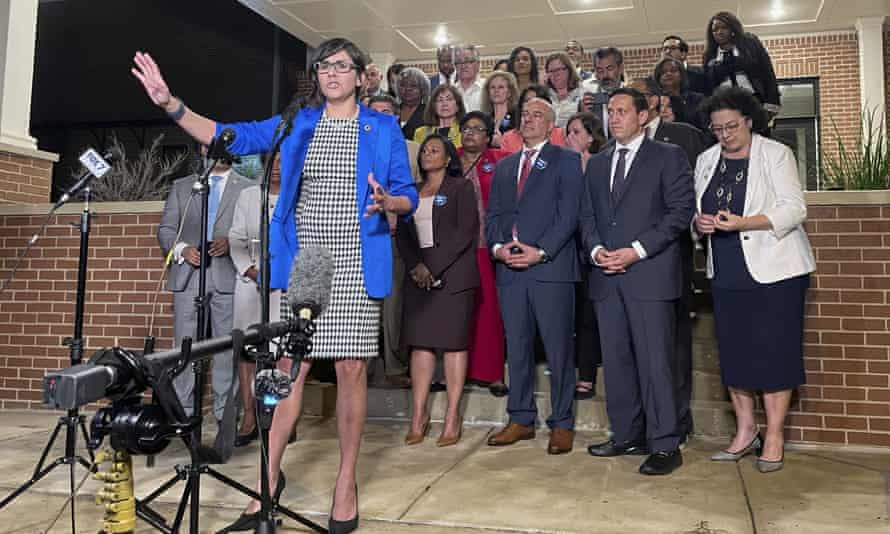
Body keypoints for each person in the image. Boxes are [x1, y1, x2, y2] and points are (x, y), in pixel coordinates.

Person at [132, 37, 418, 534]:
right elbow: (229, 136)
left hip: (357, 257)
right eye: (324, 66)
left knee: (351, 369)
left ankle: (345, 483)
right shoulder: (296, 124)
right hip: (309, 260)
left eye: (341, 66)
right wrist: (169, 103)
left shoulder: (384, 126)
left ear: (359, 75)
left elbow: (408, 195)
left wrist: (390, 204)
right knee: (290, 368)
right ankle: (266, 482)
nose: (331, 73)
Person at [694, 87, 815, 473]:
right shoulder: (705, 159)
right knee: (735, 354)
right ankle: (746, 431)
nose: (725, 134)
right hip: (727, 268)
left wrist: (746, 222)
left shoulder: (775, 154)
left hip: (776, 269)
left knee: (774, 354)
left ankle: (775, 435)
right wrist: (699, 224)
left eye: (731, 126)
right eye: (717, 129)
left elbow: (795, 209)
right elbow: (699, 211)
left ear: (748, 121)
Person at [581, 88, 694, 476]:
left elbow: (680, 213)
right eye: (610, 111)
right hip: (606, 277)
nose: (614, 118)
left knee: (655, 363)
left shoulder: (668, 156)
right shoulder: (597, 163)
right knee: (616, 363)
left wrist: (636, 250)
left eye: (623, 111)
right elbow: (588, 217)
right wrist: (597, 252)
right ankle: (627, 434)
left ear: (643, 116)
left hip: (650, 274)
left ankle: (665, 443)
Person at [485, 98, 583, 456]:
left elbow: (569, 214)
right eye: (524, 115)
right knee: (518, 347)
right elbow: (494, 215)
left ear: (551, 124)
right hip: (510, 272)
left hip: (550, 269)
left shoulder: (566, 160)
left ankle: (562, 423)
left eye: (536, 115)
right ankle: (521, 418)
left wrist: (540, 251)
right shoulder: (506, 165)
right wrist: (498, 249)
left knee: (558, 350)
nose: (528, 120)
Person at [628, 76, 705, 442]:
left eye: (640, 97)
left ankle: (677, 418)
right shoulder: (618, 145)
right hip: (627, 262)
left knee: (673, 345)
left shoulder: (684, 136)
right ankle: (643, 419)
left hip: (670, 256)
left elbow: (690, 197)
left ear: (656, 102)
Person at [156, 151, 252, 427]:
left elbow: (257, 231)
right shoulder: (183, 186)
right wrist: (183, 250)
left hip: (229, 277)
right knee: (185, 347)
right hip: (188, 277)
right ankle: (182, 414)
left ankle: (225, 414)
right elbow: (166, 230)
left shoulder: (247, 188)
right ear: (201, 151)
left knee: (227, 347)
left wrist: (232, 242)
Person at [398, 134, 480, 447]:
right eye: (425, 150)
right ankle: (418, 416)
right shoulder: (412, 192)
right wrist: (417, 265)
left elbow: (465, 232)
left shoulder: (461, 188)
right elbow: (404, 237)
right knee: (420, 345)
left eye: (436, 150)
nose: (428, 154)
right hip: (418, 277)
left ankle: (451, 416)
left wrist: (434, 266)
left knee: (454, 345)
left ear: (448, 158)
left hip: (454, 277)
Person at [228, 156, 282, 447]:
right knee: (247, 352)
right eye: (272, 161)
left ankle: (275, 415)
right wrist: (251, 270)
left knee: (276, 354)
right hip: (250, 282)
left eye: (284, 162)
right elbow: (236, 237)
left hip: (284, 286)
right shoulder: (249, 196)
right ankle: (249, 415)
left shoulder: (298, 196)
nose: (277, 167)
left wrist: (280, 274)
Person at [368, 94, 421, 388]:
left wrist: (395, 211)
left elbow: (418, 193)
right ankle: (358, 366)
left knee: (394, 303)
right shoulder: (354, 145)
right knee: (360, 304)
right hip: (359, 235)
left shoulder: (411, 149)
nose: (379, 116)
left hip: (397, 234)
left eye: (386, 112)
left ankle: (395, 367)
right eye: (374, 111)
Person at [457, 111, 511, 397]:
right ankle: (458, 372)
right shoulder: (449, 158)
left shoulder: (500, 160)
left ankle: (492, 373)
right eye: (466, 128)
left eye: (477, 129)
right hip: (453, 248)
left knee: (489, 309)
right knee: (456, 313)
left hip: (487, 246)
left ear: (488, 136)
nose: (470, 133)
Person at [564, 111, 606, 400]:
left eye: (576, 131)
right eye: (568, 132)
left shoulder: (601, 166)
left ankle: (587, 375)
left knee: (590, 315)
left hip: (595, 248)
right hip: (566, 248)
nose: (570, 137)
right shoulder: (561, 166)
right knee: (570, 314)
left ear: (591, 136)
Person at [703, 12, 781, 131]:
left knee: (757, 137)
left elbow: (767, 73)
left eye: (724, 27)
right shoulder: (710, 55)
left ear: (732, 28)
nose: (719, 32)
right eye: (715, 30)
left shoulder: (750, 44)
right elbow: (709, 87)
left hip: (753, 100)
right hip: (725, 104)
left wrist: (771, 105)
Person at [501, 85, 566, 153]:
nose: (532, 104)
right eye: (527, 100)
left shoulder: (560, 134)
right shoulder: (508, 138)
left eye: (536, 100)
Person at [654, 57, 706, 130]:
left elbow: (705, 128)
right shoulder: (655, 102)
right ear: (658, 78)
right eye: (663, 72)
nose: (668, 73)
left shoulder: (697, 99)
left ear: (681, 75)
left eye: (673, 70)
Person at [480, 71, 519, 149]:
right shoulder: (483, 119)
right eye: (492, 87)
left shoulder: (518, 116)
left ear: (509, 92)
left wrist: (503, 143)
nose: (496, 91)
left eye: (501, 87)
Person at [545, 52, 583, 128]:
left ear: (569, 70)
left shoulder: (582, 93)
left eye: (559, 69)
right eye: (551, 71)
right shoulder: (544, 96)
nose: (555, 74)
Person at [399, 67, 431, 140]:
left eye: (413, 85)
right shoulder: (392, 110)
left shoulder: (429, 112)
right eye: (403, 85)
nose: (407, 89)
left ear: (423, 89)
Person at [452, 44, 484, 112]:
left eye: (468, 61)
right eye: (459, 62)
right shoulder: (451, 91)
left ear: (478, 64)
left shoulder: (487, 88)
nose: (463, 66)